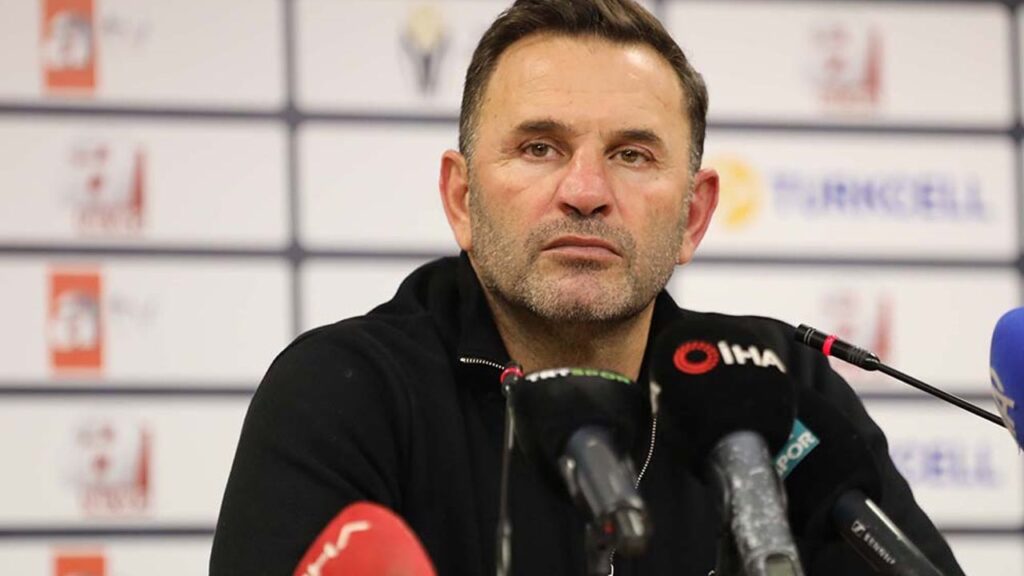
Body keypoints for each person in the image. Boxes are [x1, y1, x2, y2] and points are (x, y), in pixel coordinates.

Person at [210, 1, 964, 574]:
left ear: (694, 216)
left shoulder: (773, 386)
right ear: (461, 200)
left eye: (632, 155)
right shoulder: (347, 391)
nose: (585, 192)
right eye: (540, 147)